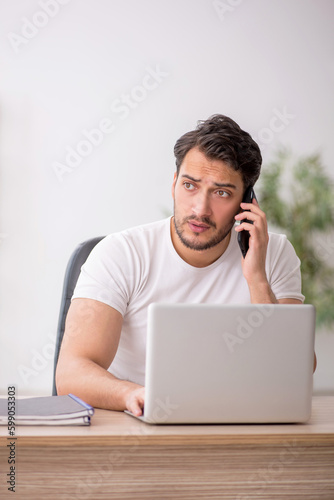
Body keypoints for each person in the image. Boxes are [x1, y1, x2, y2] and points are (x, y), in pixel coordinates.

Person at [56, 114, 315, 416]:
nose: (200, 209)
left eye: (221, 193)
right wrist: (135, 395)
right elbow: (72, 373)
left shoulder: (274, 253)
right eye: (190, 185)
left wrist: (257, 279)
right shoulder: (121, 253)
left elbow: (295, 370)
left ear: (247, 201)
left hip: (237, 425)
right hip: (133, 423)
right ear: (174, 183)